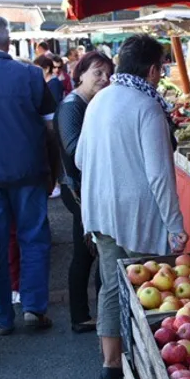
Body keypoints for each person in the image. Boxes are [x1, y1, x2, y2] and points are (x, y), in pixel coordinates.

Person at [77, 34, 188, 379]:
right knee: (151, 288)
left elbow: (80, 157)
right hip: (137, 214)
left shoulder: (98, 100)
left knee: (112, 284)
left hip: (99, 209)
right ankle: (149, 365)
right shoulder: (146, 105)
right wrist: (174, 225)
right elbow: (159, 175)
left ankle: (111, 362)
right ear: (153, 71)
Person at [0, 16, 58, 334]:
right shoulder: (32, 75)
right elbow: (51, 127)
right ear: (8, 43)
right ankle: (34, 307)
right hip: (30, 172)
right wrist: (53, 170)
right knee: (34, 240)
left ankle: (2, 317)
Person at [56, 51, 113, 334]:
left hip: (86, 188)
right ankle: (82, 316)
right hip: (77, 190)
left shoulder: (91, 103)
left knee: (91, 251)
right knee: (87, 252)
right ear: (80, 74)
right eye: (97, 73)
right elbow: (73, 148)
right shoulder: (72, 106)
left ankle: (93, 314)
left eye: (107, 74)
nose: (104, 79)